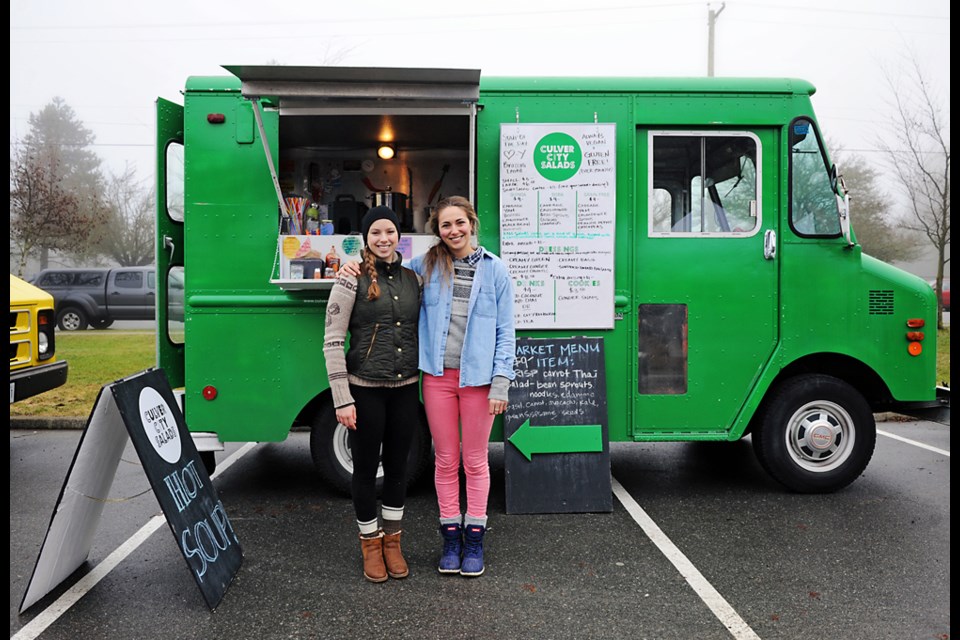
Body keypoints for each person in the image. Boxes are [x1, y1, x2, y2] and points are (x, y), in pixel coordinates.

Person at [342, 195, 516, 577]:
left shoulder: (496, 271)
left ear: (473, 222)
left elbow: (506, 331)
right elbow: (387, 267)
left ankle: (474, 540)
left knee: (475, 461)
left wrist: (502, 382)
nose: (453, 231)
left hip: (478, 381)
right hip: (436, 378)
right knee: (445, 460)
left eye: (459, 223)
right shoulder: (426, 266)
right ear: (436, 231)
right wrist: (352, 264)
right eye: (444, 226)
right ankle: (450, 539)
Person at [322, 206, 423, 583]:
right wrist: (341, 397)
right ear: (366, 238)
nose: (384, 239)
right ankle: (370, 542)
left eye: (390, 231)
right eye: (376, 233)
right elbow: (332, 341)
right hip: (364, 389)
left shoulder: (415, 279)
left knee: (398, 469)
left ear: (400, 236)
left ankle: (393, 543)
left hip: (405, 388)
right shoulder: (351, 279)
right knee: (365, 470)